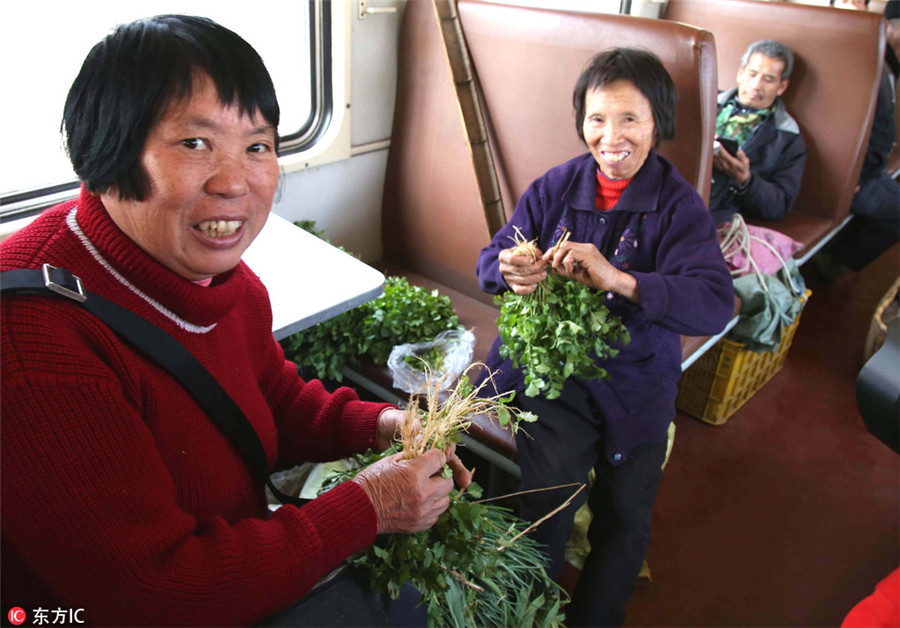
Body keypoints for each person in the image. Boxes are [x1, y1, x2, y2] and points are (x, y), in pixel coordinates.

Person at [0, 15, 471, 627]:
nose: (235, 184)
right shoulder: (33, 350)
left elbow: (267, 394)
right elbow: (154, 594)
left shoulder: (222, 279)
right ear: (107, 150)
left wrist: (378, 424)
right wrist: (368, 507)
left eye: (257, 147)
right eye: (195, 144)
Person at [474, 48, 735, 627]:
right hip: (555, 379)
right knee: (548, 502)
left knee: (626, 513)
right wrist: (510, 270)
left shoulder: (678, 207)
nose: (610, 136)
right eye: (596, 119)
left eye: (630, 120)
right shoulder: (555, 187)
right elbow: (490, 258)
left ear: (657, 125)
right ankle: (525, 613)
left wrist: (621, 279)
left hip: (638, 378)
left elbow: (715, 302)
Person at [807, 0, 900, 280]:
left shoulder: (885, 62)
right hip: (855, 174)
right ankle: (833, 262)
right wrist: (853, 177)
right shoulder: (869, 64)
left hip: (864, 167)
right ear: (887, 26)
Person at [709, 39, 807, 226]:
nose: (756, 85)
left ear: (782, 87)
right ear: (740, 73)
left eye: (768, 79)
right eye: (752, 74)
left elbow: (779, 205)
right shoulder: (704, 101)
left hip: (719, 208)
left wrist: (745, 179)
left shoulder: (788, 137)